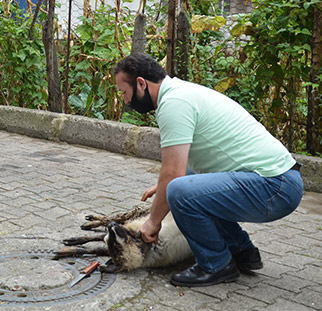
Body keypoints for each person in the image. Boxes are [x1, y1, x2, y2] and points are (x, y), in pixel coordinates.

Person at [112, 52, 303, 287]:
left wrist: (153, 222)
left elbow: (174, 174)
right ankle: (242, 252)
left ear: (141, 83)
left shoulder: (173, 103)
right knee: (183, 187)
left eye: (124, 92)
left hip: (275, 186)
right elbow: (183, 171)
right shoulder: (181, 93)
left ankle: (216, 264)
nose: (125, 100)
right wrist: (162, 186)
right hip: (279, 181)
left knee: (179, 192)